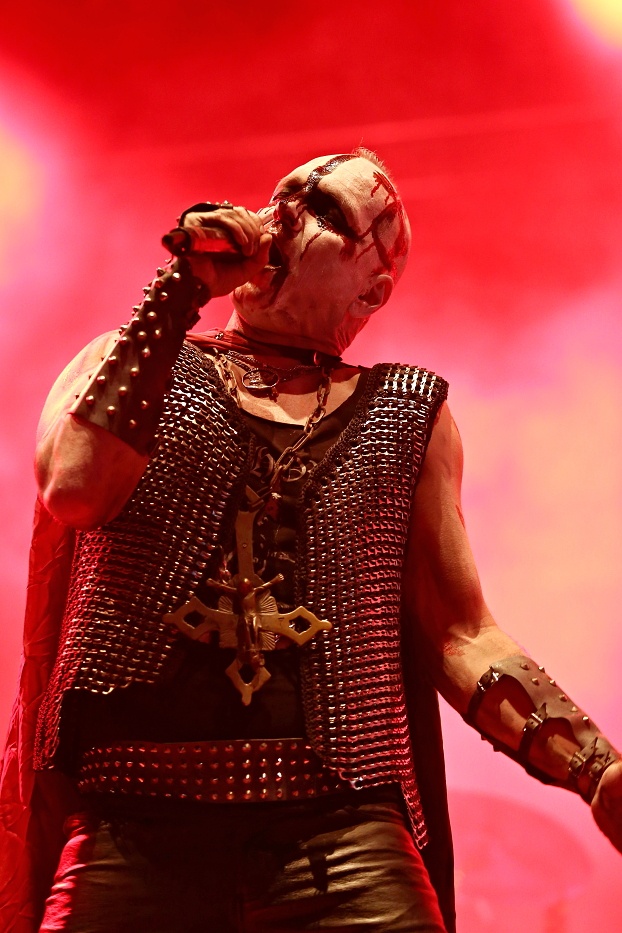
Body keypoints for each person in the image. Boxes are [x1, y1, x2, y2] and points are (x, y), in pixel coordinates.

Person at [0, 150, 620, 933]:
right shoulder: (134, 360)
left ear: (373, 287)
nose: (283, 213)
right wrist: (179, 289)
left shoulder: (405, 417)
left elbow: (462, 636)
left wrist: (595, 767)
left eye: (323, 210)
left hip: (343, 838)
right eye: (282, 194)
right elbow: (75, 489)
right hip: (134, 827)